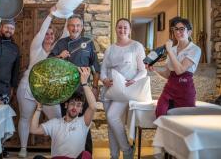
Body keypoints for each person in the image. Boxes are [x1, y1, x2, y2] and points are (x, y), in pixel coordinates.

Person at [17, 6, 69, 158]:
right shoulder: (36, 48)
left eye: (52, 34)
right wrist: (51, 15)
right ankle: (23, 149)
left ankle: (57, 150)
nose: (49, 36)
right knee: (25, 118)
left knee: (58, 119)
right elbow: (41, 32)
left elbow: (65, 34)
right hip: (28, 87)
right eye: (47, 33)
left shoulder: (57, 50)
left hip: (48, 90)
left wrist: (69, 14)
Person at [48, 14, 100, 154]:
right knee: (67, 124)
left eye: (78, 25)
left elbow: (95, 67)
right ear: (67, 27)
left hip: (83, 90)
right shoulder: (61, 43)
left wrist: (95, 88)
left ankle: (87, 154)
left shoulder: (88, 43)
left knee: (85, 124)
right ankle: (67, 154)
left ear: (81, 27)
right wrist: (60, 56)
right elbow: (49, 63)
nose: (75, 28)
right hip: (65, 91)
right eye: (72, 25)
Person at [100, 18, 147, 159]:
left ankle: (127, 150)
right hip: (109, 90)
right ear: (116, 29)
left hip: (124, 90)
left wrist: (135, 80)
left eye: (125, 27)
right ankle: (113, 155)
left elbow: (143, 70)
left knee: (112, 117)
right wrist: (104, 80)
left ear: (130, 30)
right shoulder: (110, 48)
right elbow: (103, 70)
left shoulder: (136, 46)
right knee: (110, 124)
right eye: (119, 27)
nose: (122, 30)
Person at [30, 67, 96, 159]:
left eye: (78, 105)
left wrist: (84, 83)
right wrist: (38, 109)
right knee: (38, 158)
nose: (75, 107)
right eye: (72, 104)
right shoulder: (54, 123)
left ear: (81, 110)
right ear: (66, 105)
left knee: (86, 155)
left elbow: (93, 106)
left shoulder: (83, 123)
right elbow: (33, 130)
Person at [147, 17, 201, 117]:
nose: (178, 32)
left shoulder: (195, 49)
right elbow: (168, 74)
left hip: (185, 90)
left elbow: (180, 70)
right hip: (169, 89)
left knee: (183, 122)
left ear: (189, 32)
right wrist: (155, 69)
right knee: (160, 114)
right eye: (176, 29)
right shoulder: (173, 49)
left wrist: (169, 51)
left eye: (181, 29)